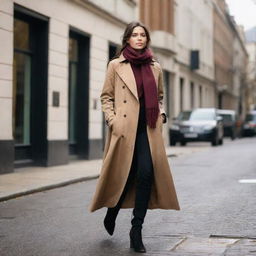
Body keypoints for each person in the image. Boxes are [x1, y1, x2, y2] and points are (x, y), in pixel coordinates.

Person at [89, 21, 180, 253]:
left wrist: (161, 113)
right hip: (124, 129)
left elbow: (159, 97)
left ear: (146, 40)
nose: (139, 38)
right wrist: (113, 120)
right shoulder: (115, 65)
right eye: (135, 35)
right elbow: (106, 97)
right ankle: (113, 210)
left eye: (143, 35)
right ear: (127, 39)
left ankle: (135, 230)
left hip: (147, 129)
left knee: (146, 173)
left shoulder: (155, 67)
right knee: (126, 175)